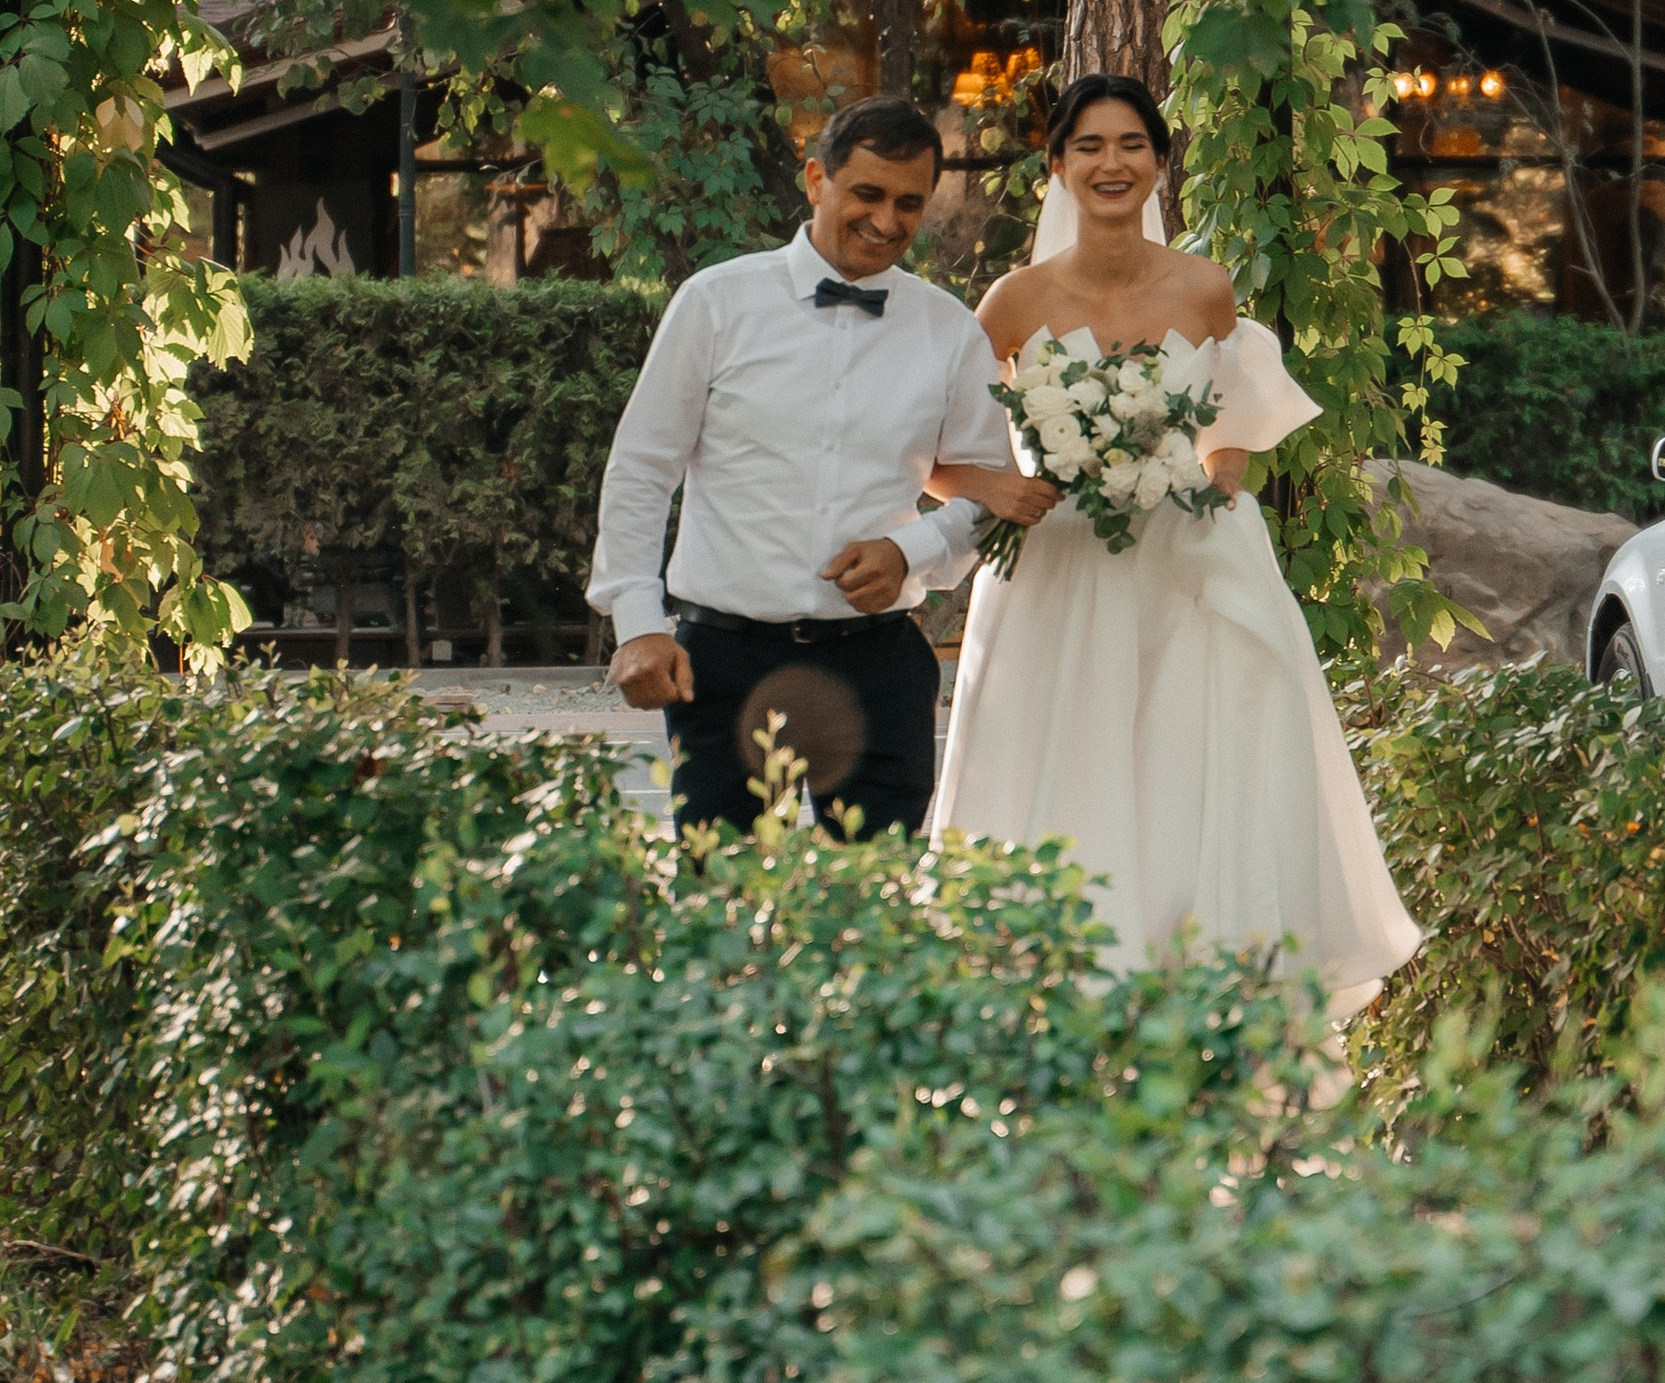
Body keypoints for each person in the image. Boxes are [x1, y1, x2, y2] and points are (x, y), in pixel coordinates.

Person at [923, 73, 1423, 1023]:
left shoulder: (1205, 288)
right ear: (1057, 166)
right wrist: (1001, 490)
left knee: (1194, 769)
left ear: (1159, 161)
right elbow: (936, 457)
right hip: (1059, 574)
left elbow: (1230, 425)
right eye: (1088, 146)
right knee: (1068, 775)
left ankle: (1204, 999)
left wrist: (1219, 476)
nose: (1110, 164)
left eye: (1131, 145)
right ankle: (1056, 1004)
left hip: (1186, 562)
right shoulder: (1011, 303)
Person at [589, 95, 1048, 839]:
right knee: (722, 891)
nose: (887, 220)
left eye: (909, 203)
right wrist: (638, 624)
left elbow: (993, 493)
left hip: (879, 666)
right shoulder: (716, 303)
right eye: (867, 193)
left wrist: (910, 551)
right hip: (725, 663)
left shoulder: (949, 330)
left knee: (877, 895)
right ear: (814, 180)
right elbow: (642, 468)